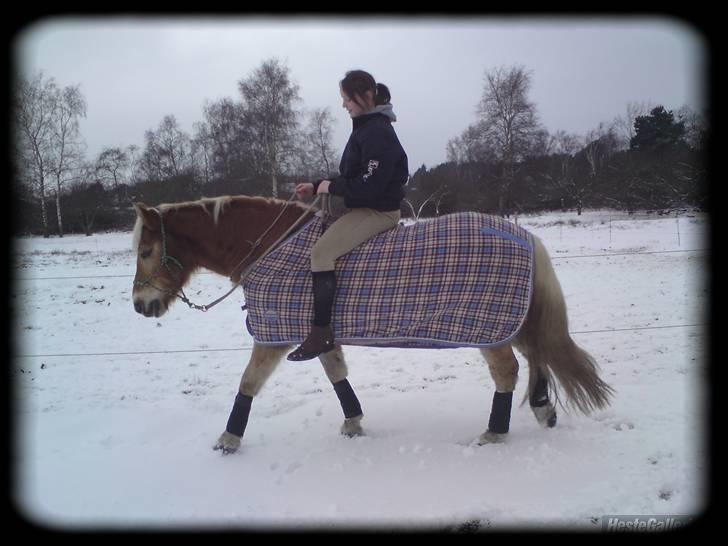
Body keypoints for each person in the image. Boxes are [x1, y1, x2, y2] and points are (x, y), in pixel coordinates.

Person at [287, 69, 409, 361]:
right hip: (366, 206)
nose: (344, 105)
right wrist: (318, 185)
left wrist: (332, 187)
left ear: (365, 97)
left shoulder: (378, 132)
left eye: (347, 99)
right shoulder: (366, 127)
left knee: (321, 254)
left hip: (378, 212)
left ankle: (321, 333)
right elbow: (352, 175)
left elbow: (369, 186)